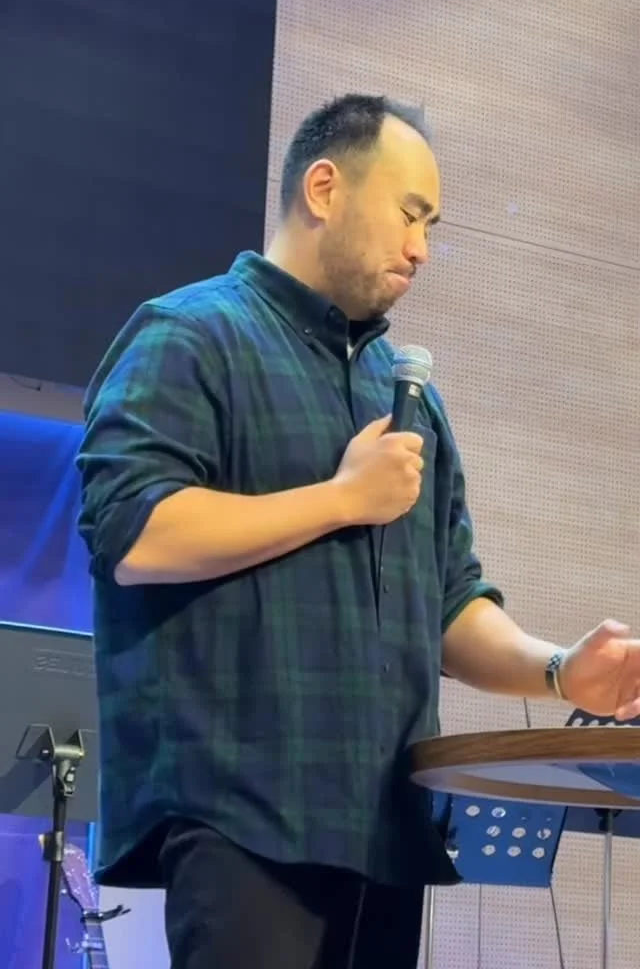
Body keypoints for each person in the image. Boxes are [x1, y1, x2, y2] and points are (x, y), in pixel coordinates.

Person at [76, 94, 640, 969]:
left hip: (386, 828)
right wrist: (341, 498)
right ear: (324, 188)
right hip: (242, 816)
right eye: (409, 215)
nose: (422, 249)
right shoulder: (188, 335)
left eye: (431, 227)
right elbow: (135, 533)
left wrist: (562, 668)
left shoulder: (409, 397)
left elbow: (449, 604)